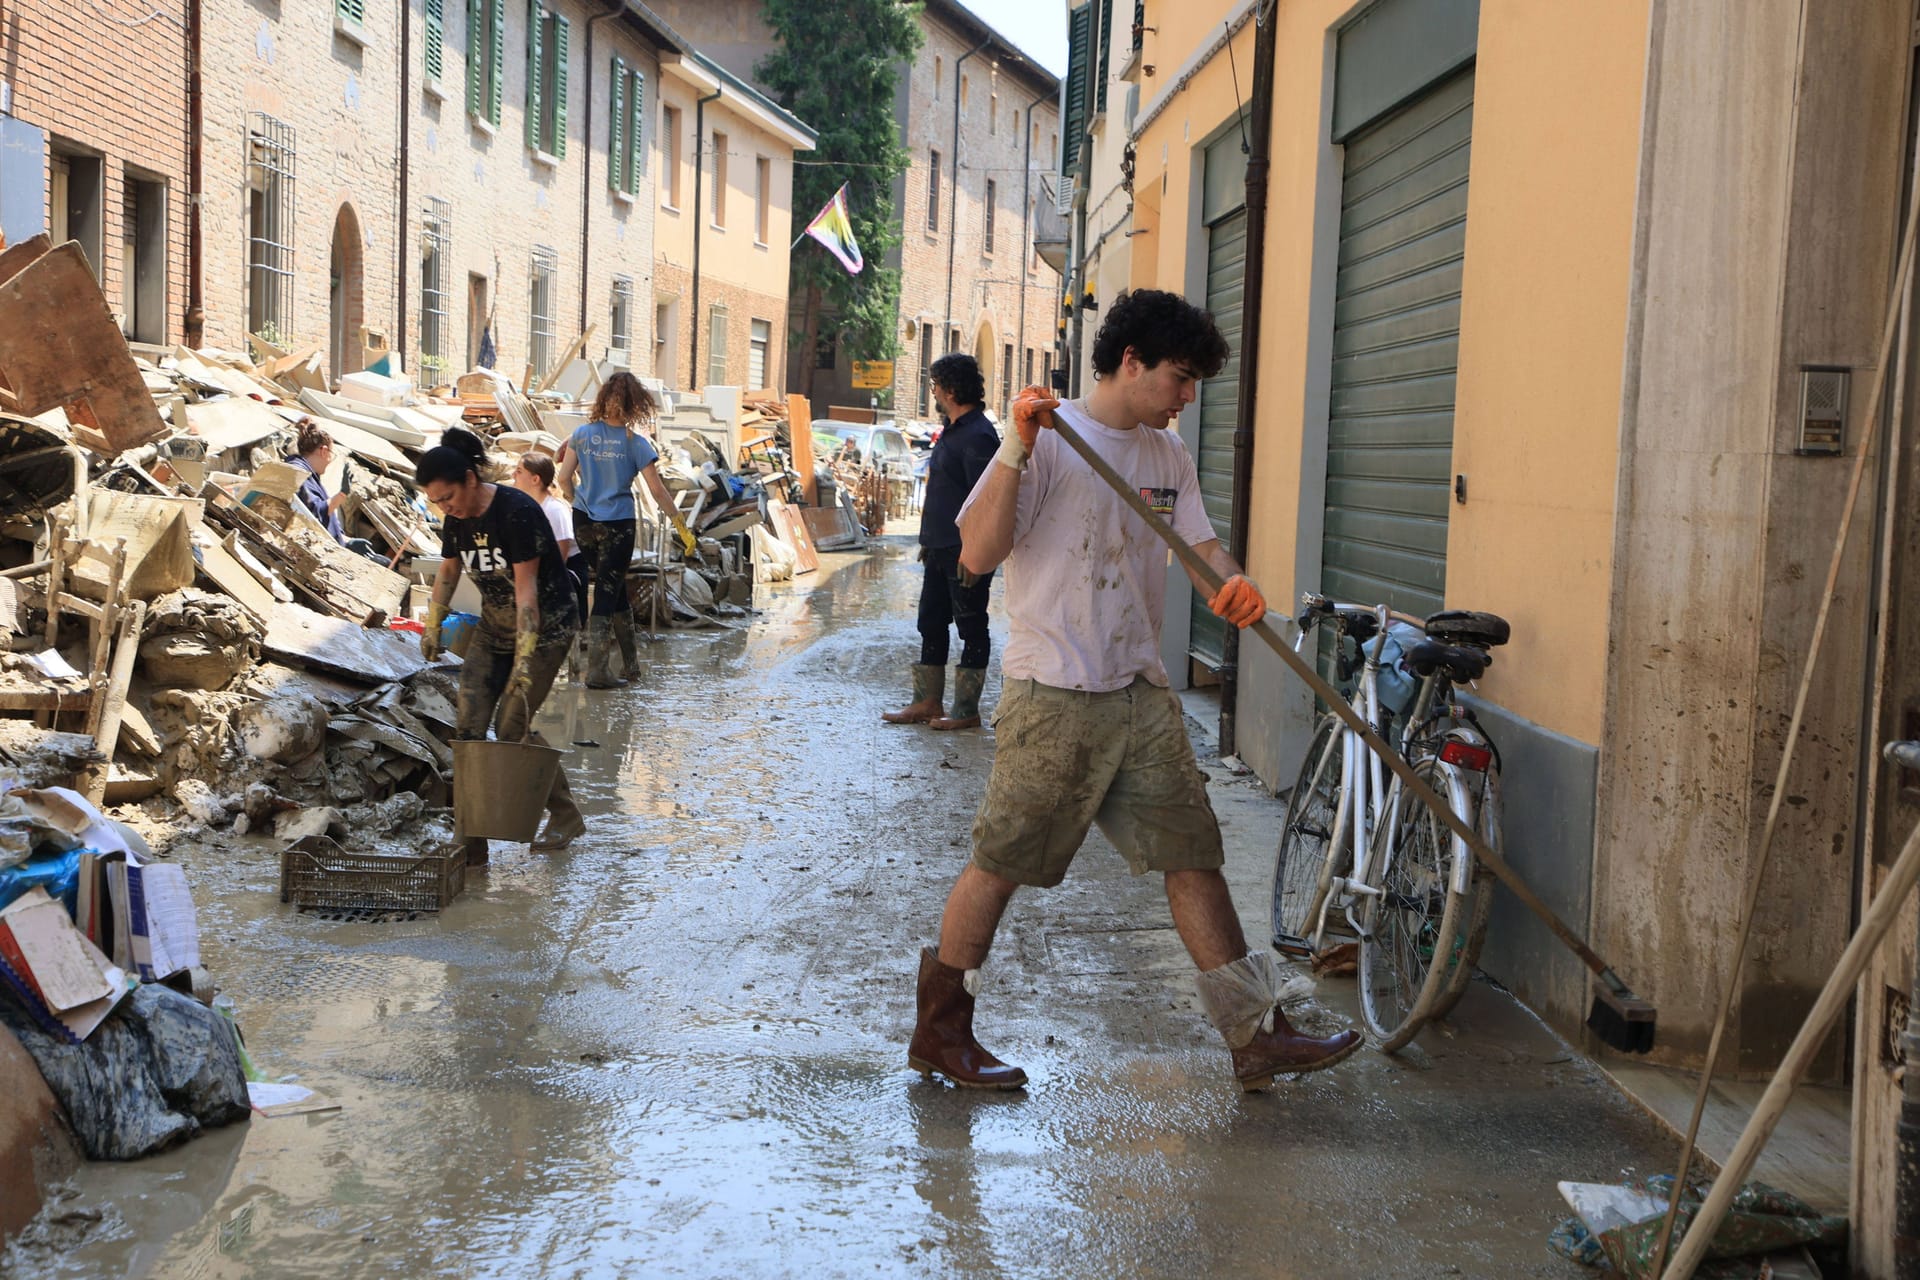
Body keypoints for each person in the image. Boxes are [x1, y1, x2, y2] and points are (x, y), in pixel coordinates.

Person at [907, 289, 1362, 1093]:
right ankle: (941, 1034)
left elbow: (1200, 548)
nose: (1188, 398)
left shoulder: (1167, 456)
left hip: (1140, 692)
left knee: (1193, 857)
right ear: (1130, 363)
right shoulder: (1048, 440)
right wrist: (1014, 447)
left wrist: (1235, 585)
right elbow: (976, 553)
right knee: (1001, 864)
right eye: (1180, 379)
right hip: (1055, 694)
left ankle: (1255, 1035)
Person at [418, 430, 584, 865]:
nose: (444, 507)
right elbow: (449, 572)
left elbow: (527, 593)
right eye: (436, 501)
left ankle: (565, 814)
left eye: (447, 496)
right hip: (495, 628)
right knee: (468, 725)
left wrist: (524, 664)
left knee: (512, 725)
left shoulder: (517, 512)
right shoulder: (456, 520)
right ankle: (470, 840)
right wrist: (432, 624)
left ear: (471, 479)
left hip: (544, 627)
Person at [883, 353, 1000, 731]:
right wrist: (929, 540)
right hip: (939, 547)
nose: (932, 391)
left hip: (964, 551)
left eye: (935, 385)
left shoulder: (979, 435)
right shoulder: (953, 429)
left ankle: (966, 710)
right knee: (931, 621)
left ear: (950, 389)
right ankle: (927, 702)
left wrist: (975, 551)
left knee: (970, 625)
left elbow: (987, 500)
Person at [556, 372, 676, 689]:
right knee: (608, 591)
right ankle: (598, 671)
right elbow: (658, 491)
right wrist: (680, 524)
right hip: (618, 526)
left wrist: (576, 500)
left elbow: (564, 478)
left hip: (584, 522)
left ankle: (631, 665)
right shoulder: (637, 444)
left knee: (614, 585)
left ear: (603, 400)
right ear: (636, 405)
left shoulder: (580, 435)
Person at [286, 419, 383, 561]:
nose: (330, 460)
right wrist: (342, 494)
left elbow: (325, 523)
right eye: (332, 454)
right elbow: (313, 515)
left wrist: (347, 541)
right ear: (324, 451)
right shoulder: (299, 473)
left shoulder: (312, 477)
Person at [513, 452, 588, 633]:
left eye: (519, 471)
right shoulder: (526, 508)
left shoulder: (554, 510)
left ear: (535, 479)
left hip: (567, 570)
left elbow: (560, 557)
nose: (513, 476)